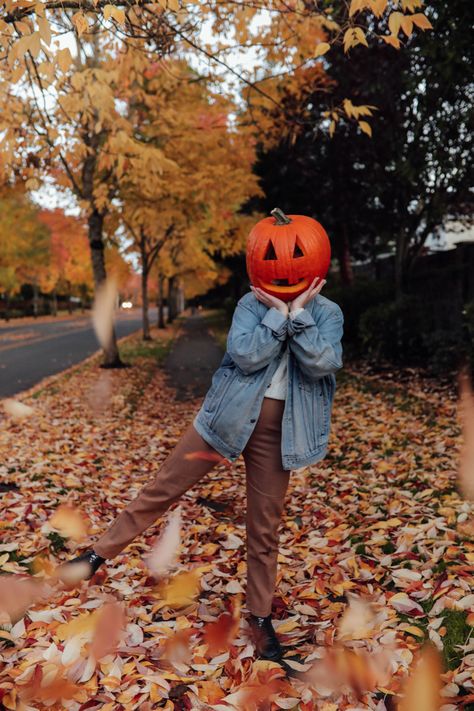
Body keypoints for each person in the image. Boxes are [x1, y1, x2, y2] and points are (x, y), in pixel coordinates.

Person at [58, 274, 344, 662]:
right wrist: (277, 316)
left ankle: (259, 619)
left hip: (281, 433)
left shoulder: (328, 313)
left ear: (318, 273)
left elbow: (323, 364)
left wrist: (299, 317)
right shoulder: (251, 305)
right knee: (163, 487)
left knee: (265, 528)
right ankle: (95, 556)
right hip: (225, 418)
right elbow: (245, 355)